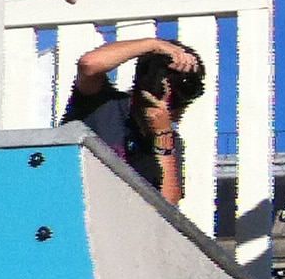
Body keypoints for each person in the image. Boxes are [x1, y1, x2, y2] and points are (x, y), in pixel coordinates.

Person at [63, 36, 204, 206]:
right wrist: (154, 45)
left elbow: (168, 209)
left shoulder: (170, 142)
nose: (170, 108)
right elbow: (89, 65)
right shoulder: (101, 103)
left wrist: (163, 138)